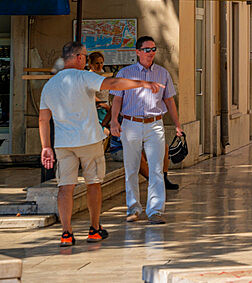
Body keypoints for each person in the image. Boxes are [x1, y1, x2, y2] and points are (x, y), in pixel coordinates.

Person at [40, 41, 163, 246]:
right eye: (85, 56)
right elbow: (114, 84)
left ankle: (66, 233)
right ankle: (95, 228)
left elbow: (43, 119)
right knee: (94, 183)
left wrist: (46, 146)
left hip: (63, 144)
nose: (86, 60)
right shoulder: (84, 76)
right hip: (89, 140)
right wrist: (142, 84)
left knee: (65, 187)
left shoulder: (50, 85)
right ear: (79, 57)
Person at [109, 36, 183, 224]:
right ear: (138, 52)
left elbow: (169, 100)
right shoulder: (125, 72)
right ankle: (133, 208)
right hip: (131, 124)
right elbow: (117, 99)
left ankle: (155, 210)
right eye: (147, 49)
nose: (151, 53)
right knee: (131, 167)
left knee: (157, 169)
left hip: (155, 123)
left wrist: (177, 124)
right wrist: (114, 122)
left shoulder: (162, 73)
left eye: (153, 49)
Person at [87, 52, 111, 127]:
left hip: (106, 108)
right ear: (91, 64)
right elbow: (89, 94)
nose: (100, 65)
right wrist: (104, 105)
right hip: (97, 109)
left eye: (101, 63)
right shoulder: (89, 76)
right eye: (97, 63)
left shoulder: (103, 73)